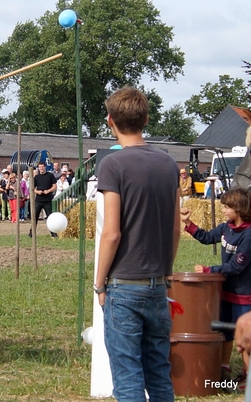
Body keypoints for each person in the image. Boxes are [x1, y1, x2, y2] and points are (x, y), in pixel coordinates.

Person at [95, 86, 180, 402]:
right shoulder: (168, 164)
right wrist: (166, 273)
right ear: (145, 119)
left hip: (123, 286)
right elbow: (175, 229)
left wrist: (100, 284)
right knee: (159, 374)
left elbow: (111, 233)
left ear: (110, 121)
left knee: (128, 379)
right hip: (158, 285)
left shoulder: (112, 165)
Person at [181, 188, 251, 385]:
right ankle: (224, 369)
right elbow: (206, 237)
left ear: (239, 209)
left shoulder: (248, 234)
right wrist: (188, 223)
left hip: (244, 295)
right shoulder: (226, 228)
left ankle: (247, 377)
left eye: (227, 207)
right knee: (226, 333)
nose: (223, 210)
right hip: (226, 292)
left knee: (245, 337)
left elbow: (237, 265)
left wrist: (209, 270)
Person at [29, 161, 57, 238]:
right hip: (38, 200)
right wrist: (37, 192)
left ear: (45, 167)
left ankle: (53, 233)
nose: (41, 168)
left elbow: (54, 186)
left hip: (47, 200)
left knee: (50, 217)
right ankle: (32, 233)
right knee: (35, 216)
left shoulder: (50, 175)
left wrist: (48, 191)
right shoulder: (36, 177)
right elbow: (32, 189)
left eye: (42, 166)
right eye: (40, 167)